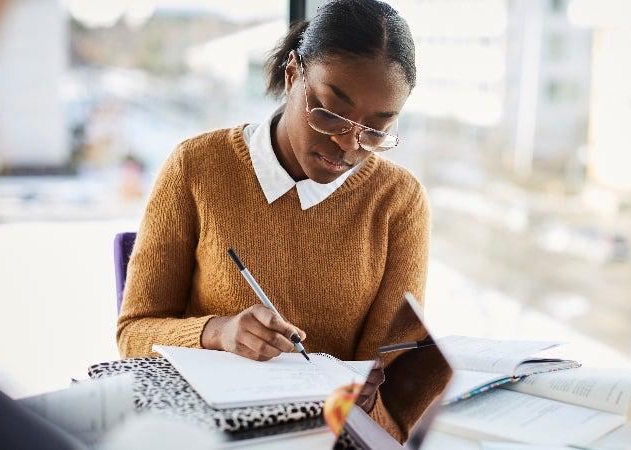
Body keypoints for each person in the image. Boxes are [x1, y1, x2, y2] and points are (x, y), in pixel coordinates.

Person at [116, 0, 436, 442]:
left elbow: (389, 379)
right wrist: (218, 332)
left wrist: (372, 394)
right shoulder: (196, 167)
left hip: (325, 437)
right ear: (292, 74)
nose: (348, 145)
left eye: (376, 129)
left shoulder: (398, 201)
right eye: (329, 112)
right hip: (207, 434)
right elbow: (133, 335)